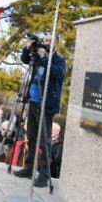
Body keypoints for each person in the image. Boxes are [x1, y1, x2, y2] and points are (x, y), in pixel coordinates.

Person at [14, 34, 66, 188]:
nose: (46, 43)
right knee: (31, 136)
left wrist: (44, 58)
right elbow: (25, 60)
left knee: (44, 141)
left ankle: (44, 174)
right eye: (45, 41)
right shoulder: (40, 56)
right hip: (34, 102)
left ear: (56, 45)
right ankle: (29, 168)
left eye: (50, 41)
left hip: (46, 105)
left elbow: (58, 73)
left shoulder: (58, 60)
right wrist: (28, 48)